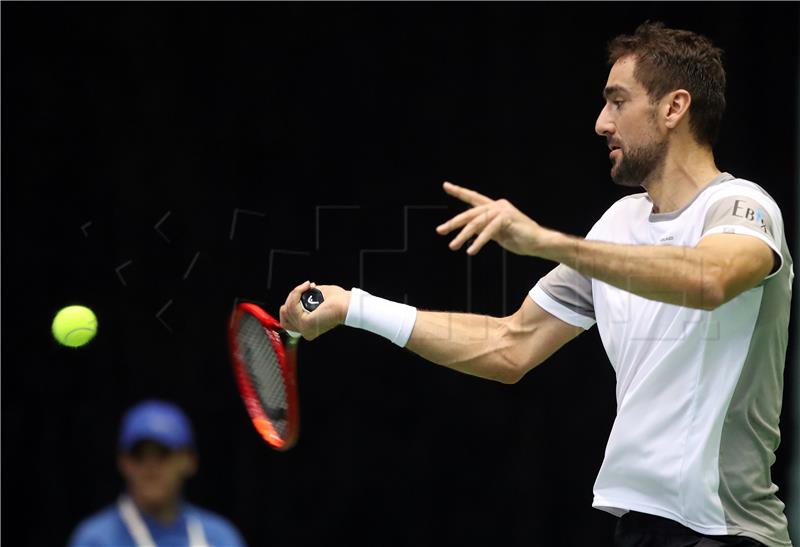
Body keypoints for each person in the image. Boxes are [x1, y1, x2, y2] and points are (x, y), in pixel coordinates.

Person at [280, 22, 793, 547]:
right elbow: (511, 345)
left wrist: (547, 242)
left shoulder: (741, 208)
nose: (601, 123)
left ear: (673, 108)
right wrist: (355, 307)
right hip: (639, 527)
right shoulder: (618, 225)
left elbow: (710, 280)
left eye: (617, 102)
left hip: (728, 531)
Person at [68, 400, 246, 547]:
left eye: (163, 454)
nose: (150, 467)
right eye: (139, 455)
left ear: (189, 461)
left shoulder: (221, 538)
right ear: (123, 463)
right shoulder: (95, 540)